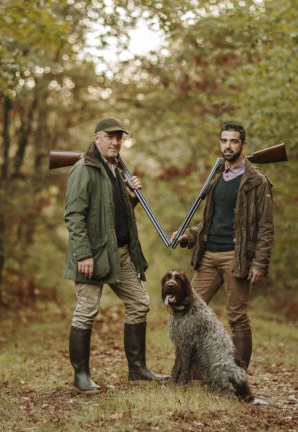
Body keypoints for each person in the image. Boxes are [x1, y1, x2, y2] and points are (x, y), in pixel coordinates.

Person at [64, 117, 169, 394]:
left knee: (139, 303)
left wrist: (131, 196)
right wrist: (83, 254)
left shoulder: (116, 169)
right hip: (93, 254)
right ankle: (81, 376)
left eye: (119, 137)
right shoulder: (84, 169)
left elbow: (114, 214)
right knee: (87, 311)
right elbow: (74, 216)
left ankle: (137, 370)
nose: (115, 142)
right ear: (97, 137)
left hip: (120, 253)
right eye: (110, 137)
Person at [171, 122, 274, 372]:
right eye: (224, 141)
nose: (227, 146)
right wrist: (188, 235)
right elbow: (209, 221)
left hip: (235, 257)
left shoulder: (257, 181)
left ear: (243, 145)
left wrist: (260, 263)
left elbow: (266, 227)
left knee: (237, 317)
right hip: (208, 255)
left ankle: (238, 376)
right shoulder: (216, 176)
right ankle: (191, 371)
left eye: (233, 141)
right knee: (186, 309)